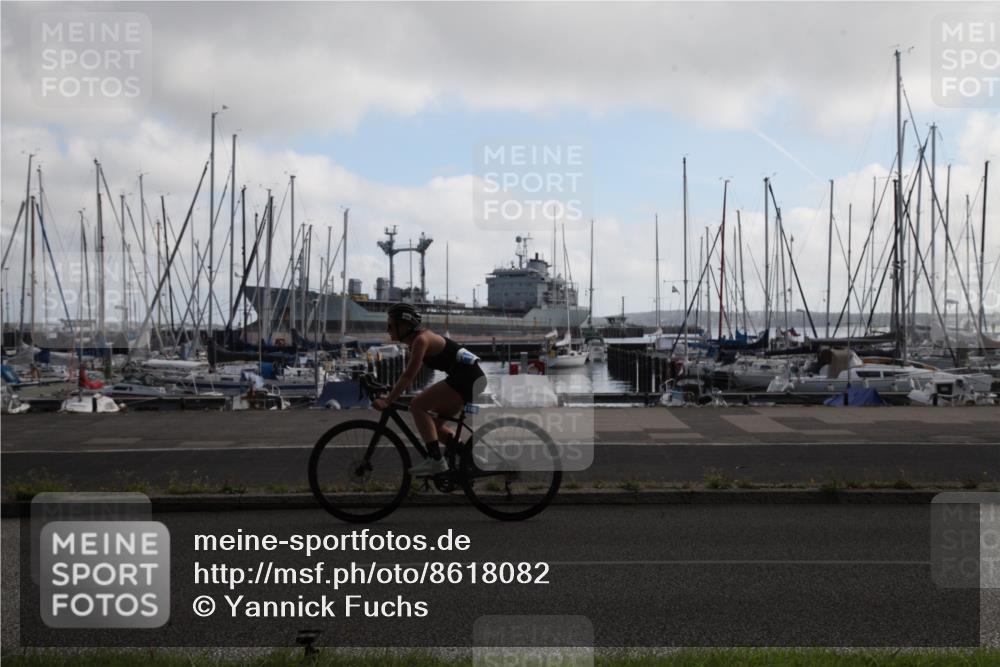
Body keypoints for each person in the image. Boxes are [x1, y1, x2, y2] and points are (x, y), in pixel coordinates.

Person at [372, 303, 486, 476]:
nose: (387, 329)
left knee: (417, 405)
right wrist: (387, 390)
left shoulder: (421, 340)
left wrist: (388, 400)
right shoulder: (417, 340)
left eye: (390, 325)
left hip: (467, 379)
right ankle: (469, 459)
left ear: (404, 326)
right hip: (467, 378)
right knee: (435, 427)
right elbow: (405, 377)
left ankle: (436, 461)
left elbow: (408, 376)